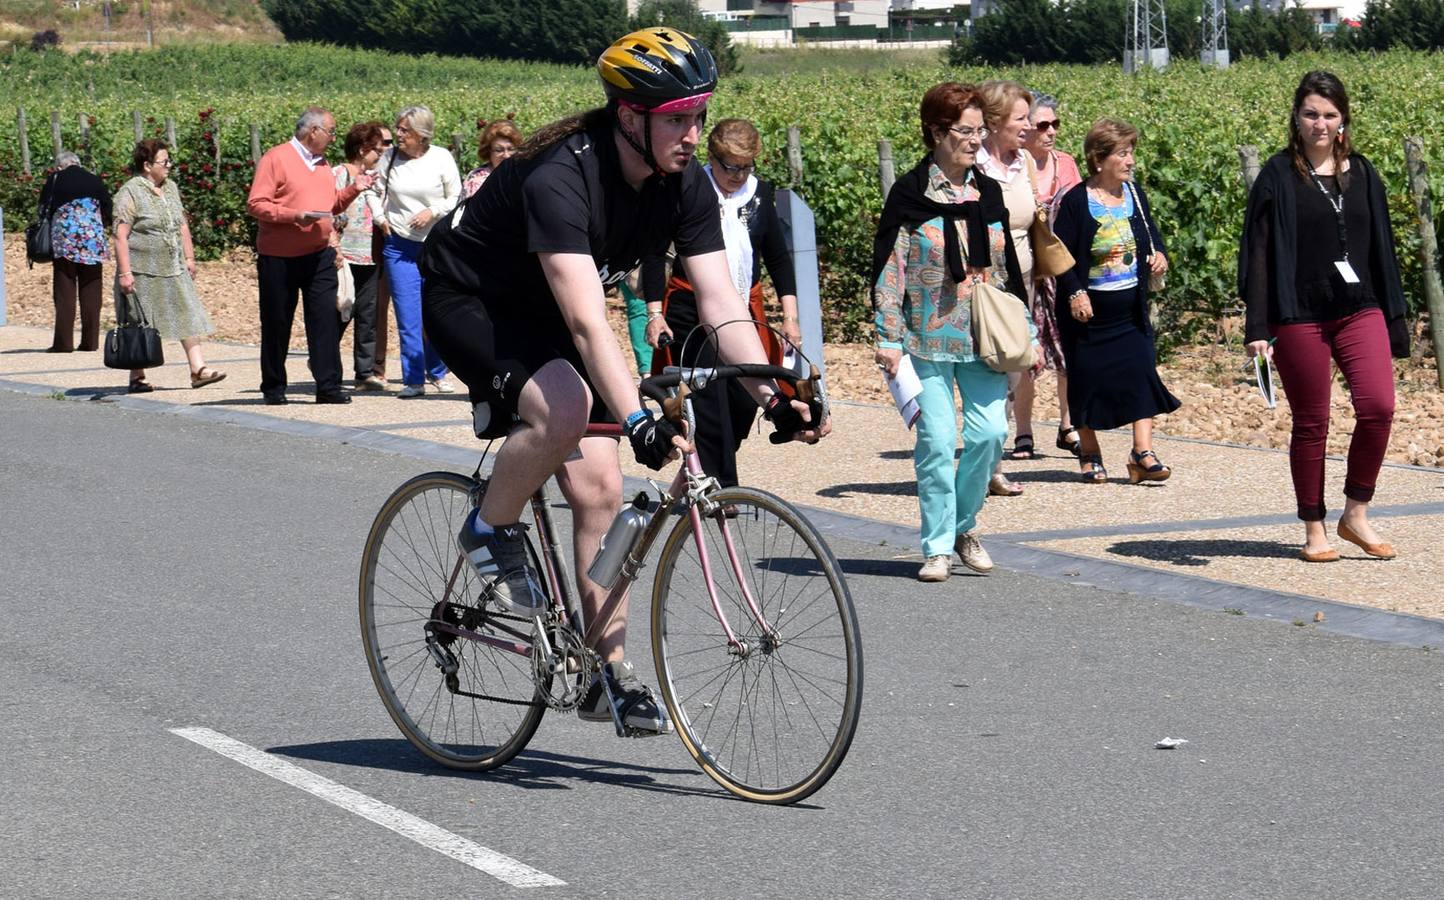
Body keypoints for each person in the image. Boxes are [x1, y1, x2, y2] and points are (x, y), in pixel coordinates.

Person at [419, 27, 824, 735]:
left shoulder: (683, 181)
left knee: (602, 489)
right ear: (629, 116)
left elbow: (723, 302)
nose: (693, 134)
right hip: (472, 300)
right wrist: (637, 413)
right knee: (568, 406)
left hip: (551, 307)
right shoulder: (560, 175)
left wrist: (773, 391)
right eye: (677, 119)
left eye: (699, 116)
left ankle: (609, 672)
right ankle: (488, 525)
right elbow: (586, 325)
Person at [1240, 71, 1409, 563]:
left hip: (1360, 308)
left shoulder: (1363, 172)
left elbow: (1382, 249)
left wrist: (1394, 317)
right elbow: (1259, 253)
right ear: (1297, 117)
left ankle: (1355, 512)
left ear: (1343, 120)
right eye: (1311, 113)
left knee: (1378, 408)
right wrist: (1258, 327)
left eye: (1330, 115)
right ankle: (1313, 526)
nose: (1320, 123)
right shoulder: (1277, 175)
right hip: (1299, 313)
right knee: (1312, 422)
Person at [872, 81, 1033, 583]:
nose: (976, 139)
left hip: (981, 339)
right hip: (925, 340)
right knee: (938, 443)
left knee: (989, 436)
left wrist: (1025, 329)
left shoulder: (986, 192)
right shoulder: (909, 195)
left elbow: (1004, 268)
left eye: (980, 130)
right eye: (966, 130)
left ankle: (963, 525)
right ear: (937, 132)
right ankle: (938, 547)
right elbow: (889, 269)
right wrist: (888, 337)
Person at [642, 117, 801, 490]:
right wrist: (654, 313)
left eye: (746, 166)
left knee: (745, 402)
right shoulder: (688, 188)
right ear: (711, 157)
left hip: (744, 309)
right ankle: (719, 492)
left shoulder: (760, 195)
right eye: (731, 166)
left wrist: (790, 316)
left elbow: (778, 258)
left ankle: (691, 478)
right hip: (689, 310)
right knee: (707, 403)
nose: (739, 175)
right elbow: (653, 252)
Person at [1052, 118, 1180, 484]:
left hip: (1130, 309)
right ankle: (1089, 453)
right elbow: (1060, 255)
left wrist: (1160, 257)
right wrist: (1075, 291)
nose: (1131, 160)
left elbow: (1151, 235)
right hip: (1088, 313)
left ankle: (1143, 453)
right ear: (1099, 158)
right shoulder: (1077, 201)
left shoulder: (1135, 195)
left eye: (1131, 152)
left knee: (1142, 371)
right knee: (1087, 378)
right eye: (1123, 153)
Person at [247, 106, 373, 405]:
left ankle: (328, 386)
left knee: (325, 322)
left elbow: (330, 205)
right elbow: (256, 204)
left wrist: (355, 189)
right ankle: (274, 387)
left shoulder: (322, 164)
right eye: (330, 131)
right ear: (312, 131)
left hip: (319, 255)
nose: (333, 137)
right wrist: (294, 216)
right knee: (277, 322)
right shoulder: (276, 158)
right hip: (279, 256)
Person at [112, 139, 225, 393]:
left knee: (187, 313)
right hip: (142, 269)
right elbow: (120, 235)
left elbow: (181, 223)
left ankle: (198, 369)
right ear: (147, 165)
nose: (169, 166)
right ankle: (137, 376)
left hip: (174, 266)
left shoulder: (171, 188)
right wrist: (125, 273)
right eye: (164, 162)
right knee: (139, 321)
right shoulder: (130, 192)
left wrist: (189, 257)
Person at [976, 80, 1041, 497]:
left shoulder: (1025, 164)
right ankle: (987, 465)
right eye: (1021, 119)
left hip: (1025, 282)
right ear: (995, 121)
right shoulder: (975, 166)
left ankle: (990, 461)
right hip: (987, 283)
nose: (1029, 126)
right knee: (987, 372)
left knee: (1014, 372)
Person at [376, 105, 460, 398]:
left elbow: (455, 197)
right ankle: (413, 379)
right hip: (399, 247)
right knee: (408, 315)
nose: (397, 135)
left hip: (436, 248)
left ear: (421, 135)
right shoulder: (388, 159)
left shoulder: (441, 158)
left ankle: (437, 372)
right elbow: (373, 191)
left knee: (435, 313)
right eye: (397, 128)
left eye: (404, 130)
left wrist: (432, 211)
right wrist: (379, 217)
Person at [1018, 92, 1084, 460]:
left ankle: (1068, 424)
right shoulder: (1015, 167)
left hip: (1059, 268)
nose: (1051, 131)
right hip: (1027, 269)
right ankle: (1024, 431)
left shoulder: (1068, 165)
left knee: (1066, 348)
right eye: (1043, 125)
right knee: (1025, 350)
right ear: (1026, 129)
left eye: (1055, 124)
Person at [39, 151, 112, 354]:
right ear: (78, 164)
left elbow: (44, 207)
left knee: (65, 290)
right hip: (92, 242)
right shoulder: (94, 180)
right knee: (91, 290)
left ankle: (63, 343)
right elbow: (108, 209)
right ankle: (90, 342)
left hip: (65, 242)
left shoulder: (55, 180)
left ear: (60, 166)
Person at [334, 121, 388, 391]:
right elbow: (330, 209)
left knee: (368, 314)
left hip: (370, 254)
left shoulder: (376, 178)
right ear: (361, 149)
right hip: (345, 253)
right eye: (376, 150)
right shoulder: (340, 174)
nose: (379, 154)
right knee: (343, 310)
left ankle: (364, 372)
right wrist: (334, 248)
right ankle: (326, 360)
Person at [460, 114, 523, 201]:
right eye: (499, 150)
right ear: (488, 151)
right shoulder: (476, 180)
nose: (506, 155)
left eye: (511, 149)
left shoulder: (523, 174)